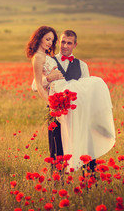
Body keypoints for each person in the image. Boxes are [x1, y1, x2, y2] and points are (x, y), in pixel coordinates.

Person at [26, 26, 115, 172]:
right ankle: (57, 186)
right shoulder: (49, 59)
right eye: (63, 42)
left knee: (86, 147)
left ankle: (90, 182)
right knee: (57, 151)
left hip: (78, 113)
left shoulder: (82, 66)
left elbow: (87, 91)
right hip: (56, 111)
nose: (65, 46)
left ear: (75, 45)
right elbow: (35, 86)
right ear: (59, 43)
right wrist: (48, 78)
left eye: (69, 43)